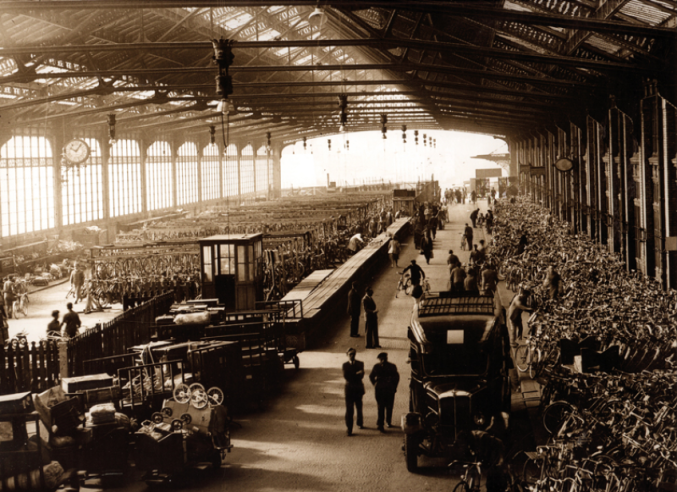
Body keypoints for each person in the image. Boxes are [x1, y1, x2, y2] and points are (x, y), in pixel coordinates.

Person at [369, 352, 400, 433]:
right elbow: (371, 376)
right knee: (380, 407)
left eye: (384, 359)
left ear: (386, 358)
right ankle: (380, 424)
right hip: (380, 390)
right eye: (381, 359)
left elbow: (396, 377)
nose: (383, 361)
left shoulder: (392, 367)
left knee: (389, 406)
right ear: (379, 360)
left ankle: (388, 421)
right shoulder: (376, 367)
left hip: (389, 389)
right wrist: (374, 384)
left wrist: (394, 387)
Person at [342, 348, 365, 436]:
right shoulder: (345, 365)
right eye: (350, 354)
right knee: (349, 409)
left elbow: (361, 375)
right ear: (347, 355)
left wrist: (354, 375)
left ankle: (360, 422)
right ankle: (349, 428)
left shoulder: (360, 363)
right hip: (349, 391)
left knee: (359, 407)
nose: (352, 356)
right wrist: (356, 374)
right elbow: (347, 377)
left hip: (358, 389)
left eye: (353, 354)